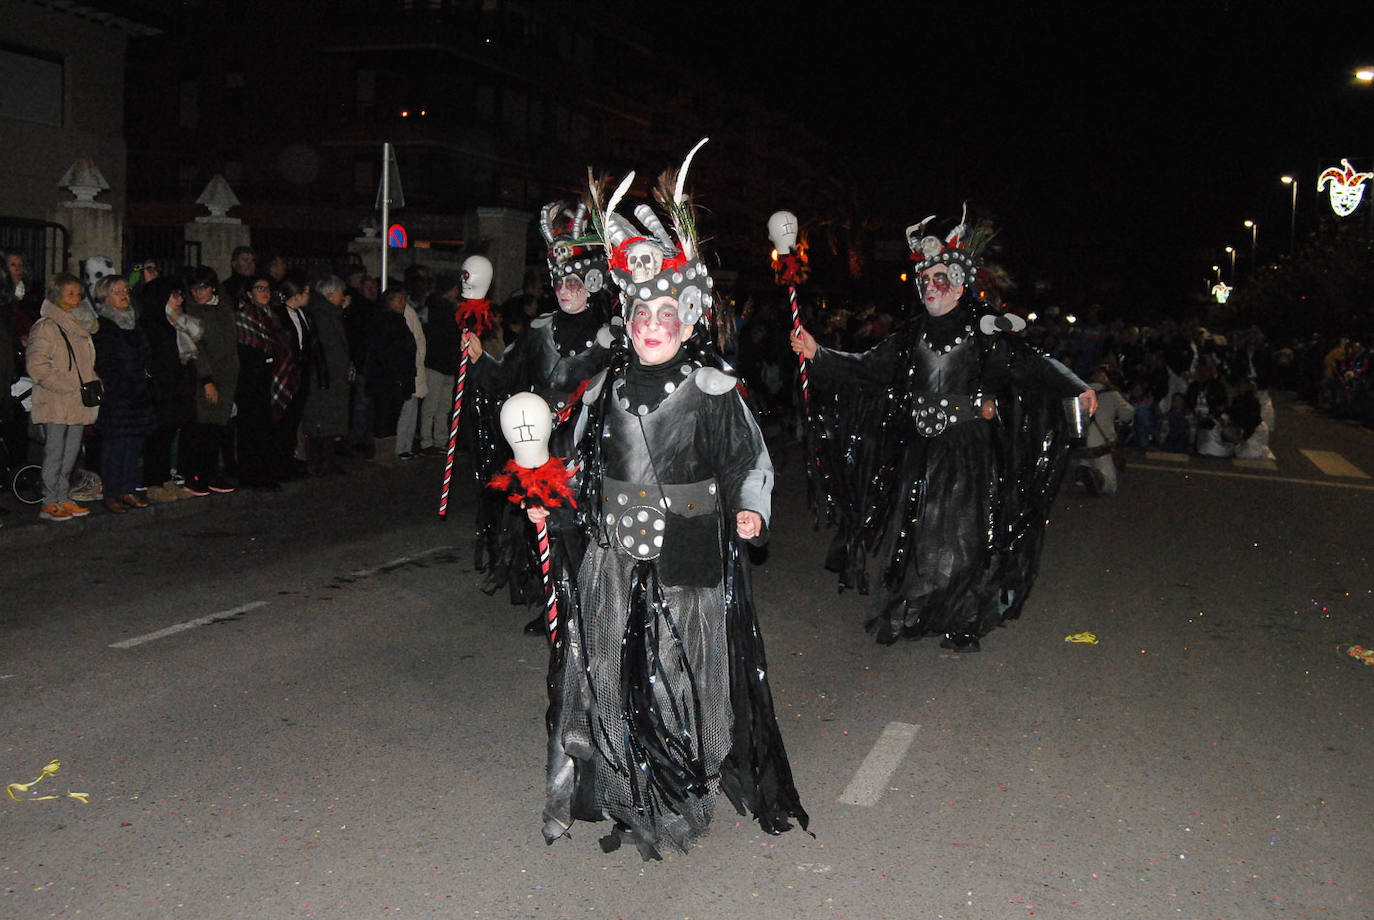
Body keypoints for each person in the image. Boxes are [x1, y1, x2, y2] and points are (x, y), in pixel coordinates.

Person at [527, 147, 807, 860]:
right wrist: (547, 502)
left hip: (686, 554)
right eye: (640, 312)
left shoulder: (713, 391)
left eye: (665, 313)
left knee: (679, 676)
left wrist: (750, 509)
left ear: (688, 317)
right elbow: (574, 465)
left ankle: (682, 783)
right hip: (614, 556)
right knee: (611, 677)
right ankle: (624, 786)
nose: (651, 324)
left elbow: (752, 461)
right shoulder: (604, 388)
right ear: (626, 316)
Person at [790, 209, 1096, 650]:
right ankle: (918, 603)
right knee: (915, 530)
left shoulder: (984, 332)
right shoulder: (909, 337)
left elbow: (1031, 363)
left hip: (967, 449)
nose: (931, 288)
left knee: (964, 535)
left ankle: (962, 616)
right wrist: (818, 354)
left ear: (959, 282)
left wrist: (1076, 385)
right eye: (925, 281)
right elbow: (868, 370)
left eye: (940, 279)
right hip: (920, 448)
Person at [466, 201, 617, 624]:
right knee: (540, 525)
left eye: (575, 282)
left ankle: (586, 606)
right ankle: (554, 600)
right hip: (538, 442)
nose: (567, 290)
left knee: (582, 527)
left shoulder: (614, 336)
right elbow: (506, 380)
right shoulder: (537, 332)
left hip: (589, 446)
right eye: (560, 282)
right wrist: (479, 360)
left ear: (592, 282)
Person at [26, 273, 99, 521]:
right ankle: (49, 501)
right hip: (56, 401)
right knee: (55, 453)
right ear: (57, 295)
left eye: (78, 294)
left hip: (77, 402)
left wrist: (93, 382)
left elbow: (85, 364)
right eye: (70, 294)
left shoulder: (78, 326)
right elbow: (37, 366)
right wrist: (69, 384)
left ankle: (63, 496)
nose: (75, 299)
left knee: (71, 453)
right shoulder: (46, 326)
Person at [91, 276, 156, 512]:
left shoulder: (134, 324)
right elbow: (102, 361)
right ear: (105, 297)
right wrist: (117, 384)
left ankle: (128, 489)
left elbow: (146, 354)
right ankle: (112, 492)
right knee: (115, 445)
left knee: (134, 443)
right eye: (117, 291)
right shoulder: (103, 326)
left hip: (138, 393)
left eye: (125, 290)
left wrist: (146, 378)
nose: (123, 295)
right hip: (117, 396)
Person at [181, 267, 238, 493]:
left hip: (227, 375)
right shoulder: (193, 311)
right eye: (194, 288)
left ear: (213, 287)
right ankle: (196, 476)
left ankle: (212, 474)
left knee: (217, 428)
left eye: (202, 287)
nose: (197, 293)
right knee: (201, 428)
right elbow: (196, 349)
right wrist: (206, 379)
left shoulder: (224, 307)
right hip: (206, 377)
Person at [234, 275, 292, 489]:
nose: (264, 292)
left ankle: (266, 473)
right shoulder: (244, 317)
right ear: (249, 294)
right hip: (251, 382)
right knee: (251, 429)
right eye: (259, 288)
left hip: (269, 379)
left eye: (267, 288)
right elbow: (246, 351)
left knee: (267, 429)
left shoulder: (272, 316)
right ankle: (250, 476)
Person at [301, 275, 352, 473]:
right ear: (331, 295)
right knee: (321, 419)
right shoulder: (323, 316)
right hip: (325, 377)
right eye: (340, 294)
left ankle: (328, 460)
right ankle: (319, 462)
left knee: (332, 419)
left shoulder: (331, 314)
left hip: (334, 375)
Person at [363, 288, 416, 465]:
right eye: (399, 300)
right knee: (384, 416)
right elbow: (386, 352)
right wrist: (397, 374)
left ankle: (388, 452)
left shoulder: (398, 320)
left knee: (392, 415)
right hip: (387, 379)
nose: (403, 303)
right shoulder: (385, 321)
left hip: (397, 378)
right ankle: (383, 453)